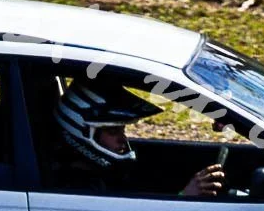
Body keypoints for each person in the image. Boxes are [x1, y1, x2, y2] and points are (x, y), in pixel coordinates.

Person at [51, 78, 225, 198]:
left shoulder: (102, 175)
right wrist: (184, 197)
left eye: (122, 129)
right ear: (83, 133)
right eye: (113, 132)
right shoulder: (77, 190)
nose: (123, 138)